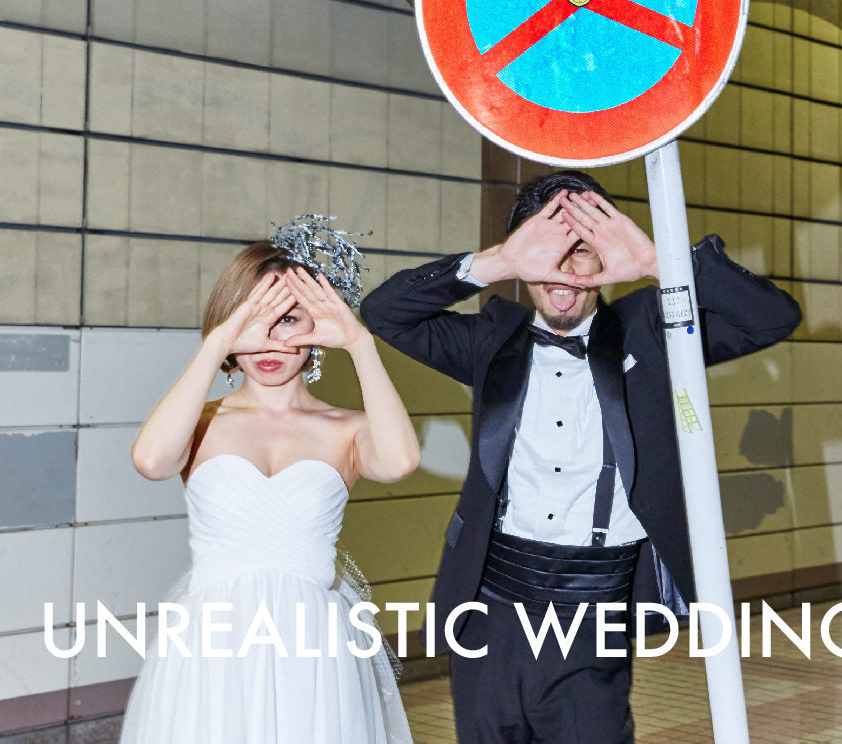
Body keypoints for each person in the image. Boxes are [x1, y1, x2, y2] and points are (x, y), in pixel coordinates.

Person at [360, 170, 801, 744]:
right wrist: (497, 261)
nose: (564, 271)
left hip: (594, 610)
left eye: (582, 250)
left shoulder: (654, 331)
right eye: (547, 252)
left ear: (606, 257)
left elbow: (773, 317)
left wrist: (661, 263)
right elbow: (385, 311)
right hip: (490, 607)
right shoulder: (492, 339)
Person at [120, 217, 419, 744]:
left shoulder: (346, 428)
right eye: (253, 320)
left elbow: (398, 462)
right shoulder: (200, 421)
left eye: (288, 320)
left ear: (317, 329)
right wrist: (218, 342)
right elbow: (151, 461)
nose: (269, 340)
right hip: (213, 641)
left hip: (314, 644)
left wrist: (359, 342)